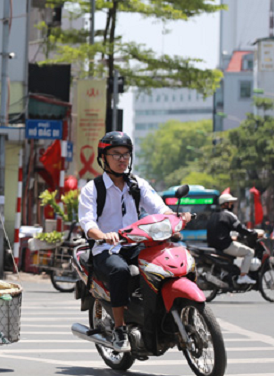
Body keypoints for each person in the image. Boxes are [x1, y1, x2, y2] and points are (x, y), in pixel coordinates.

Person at [78, 131, 191, 353]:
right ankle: (120, 328)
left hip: (136, 243)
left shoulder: (137, 184)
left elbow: (160, 208)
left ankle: (162, 314)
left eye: (126, 154)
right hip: (107, 249)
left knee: (167, 261)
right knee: (119, 271)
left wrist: (177, 217)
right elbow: (87, 223)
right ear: (104, 157)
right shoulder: (93, 189)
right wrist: (102, 235)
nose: (122, 159)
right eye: (116, 154)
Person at [206, 192, 257, 285]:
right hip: (225, 245)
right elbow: (240, 228)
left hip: (213, 245)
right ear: (226, 204)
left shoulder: (213, 215)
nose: (232, 205)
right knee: (250, 252)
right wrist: (252, 233)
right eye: (231, 203)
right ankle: (243, 276)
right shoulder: (228, 215)